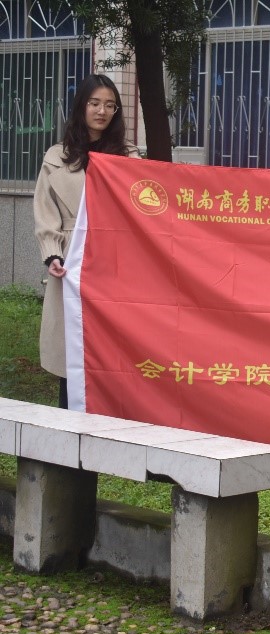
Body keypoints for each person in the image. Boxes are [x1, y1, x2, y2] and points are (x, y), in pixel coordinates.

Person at [34, 73, 139, 408]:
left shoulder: (130, 157)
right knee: (71, 346)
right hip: (70, 263)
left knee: (111, 347)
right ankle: (68, 429)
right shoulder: (56, 156)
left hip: (114, 263)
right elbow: (44, 211)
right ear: (82, 106)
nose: (102, 111)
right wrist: (53, 255)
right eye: (95, 103)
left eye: (110, 105)